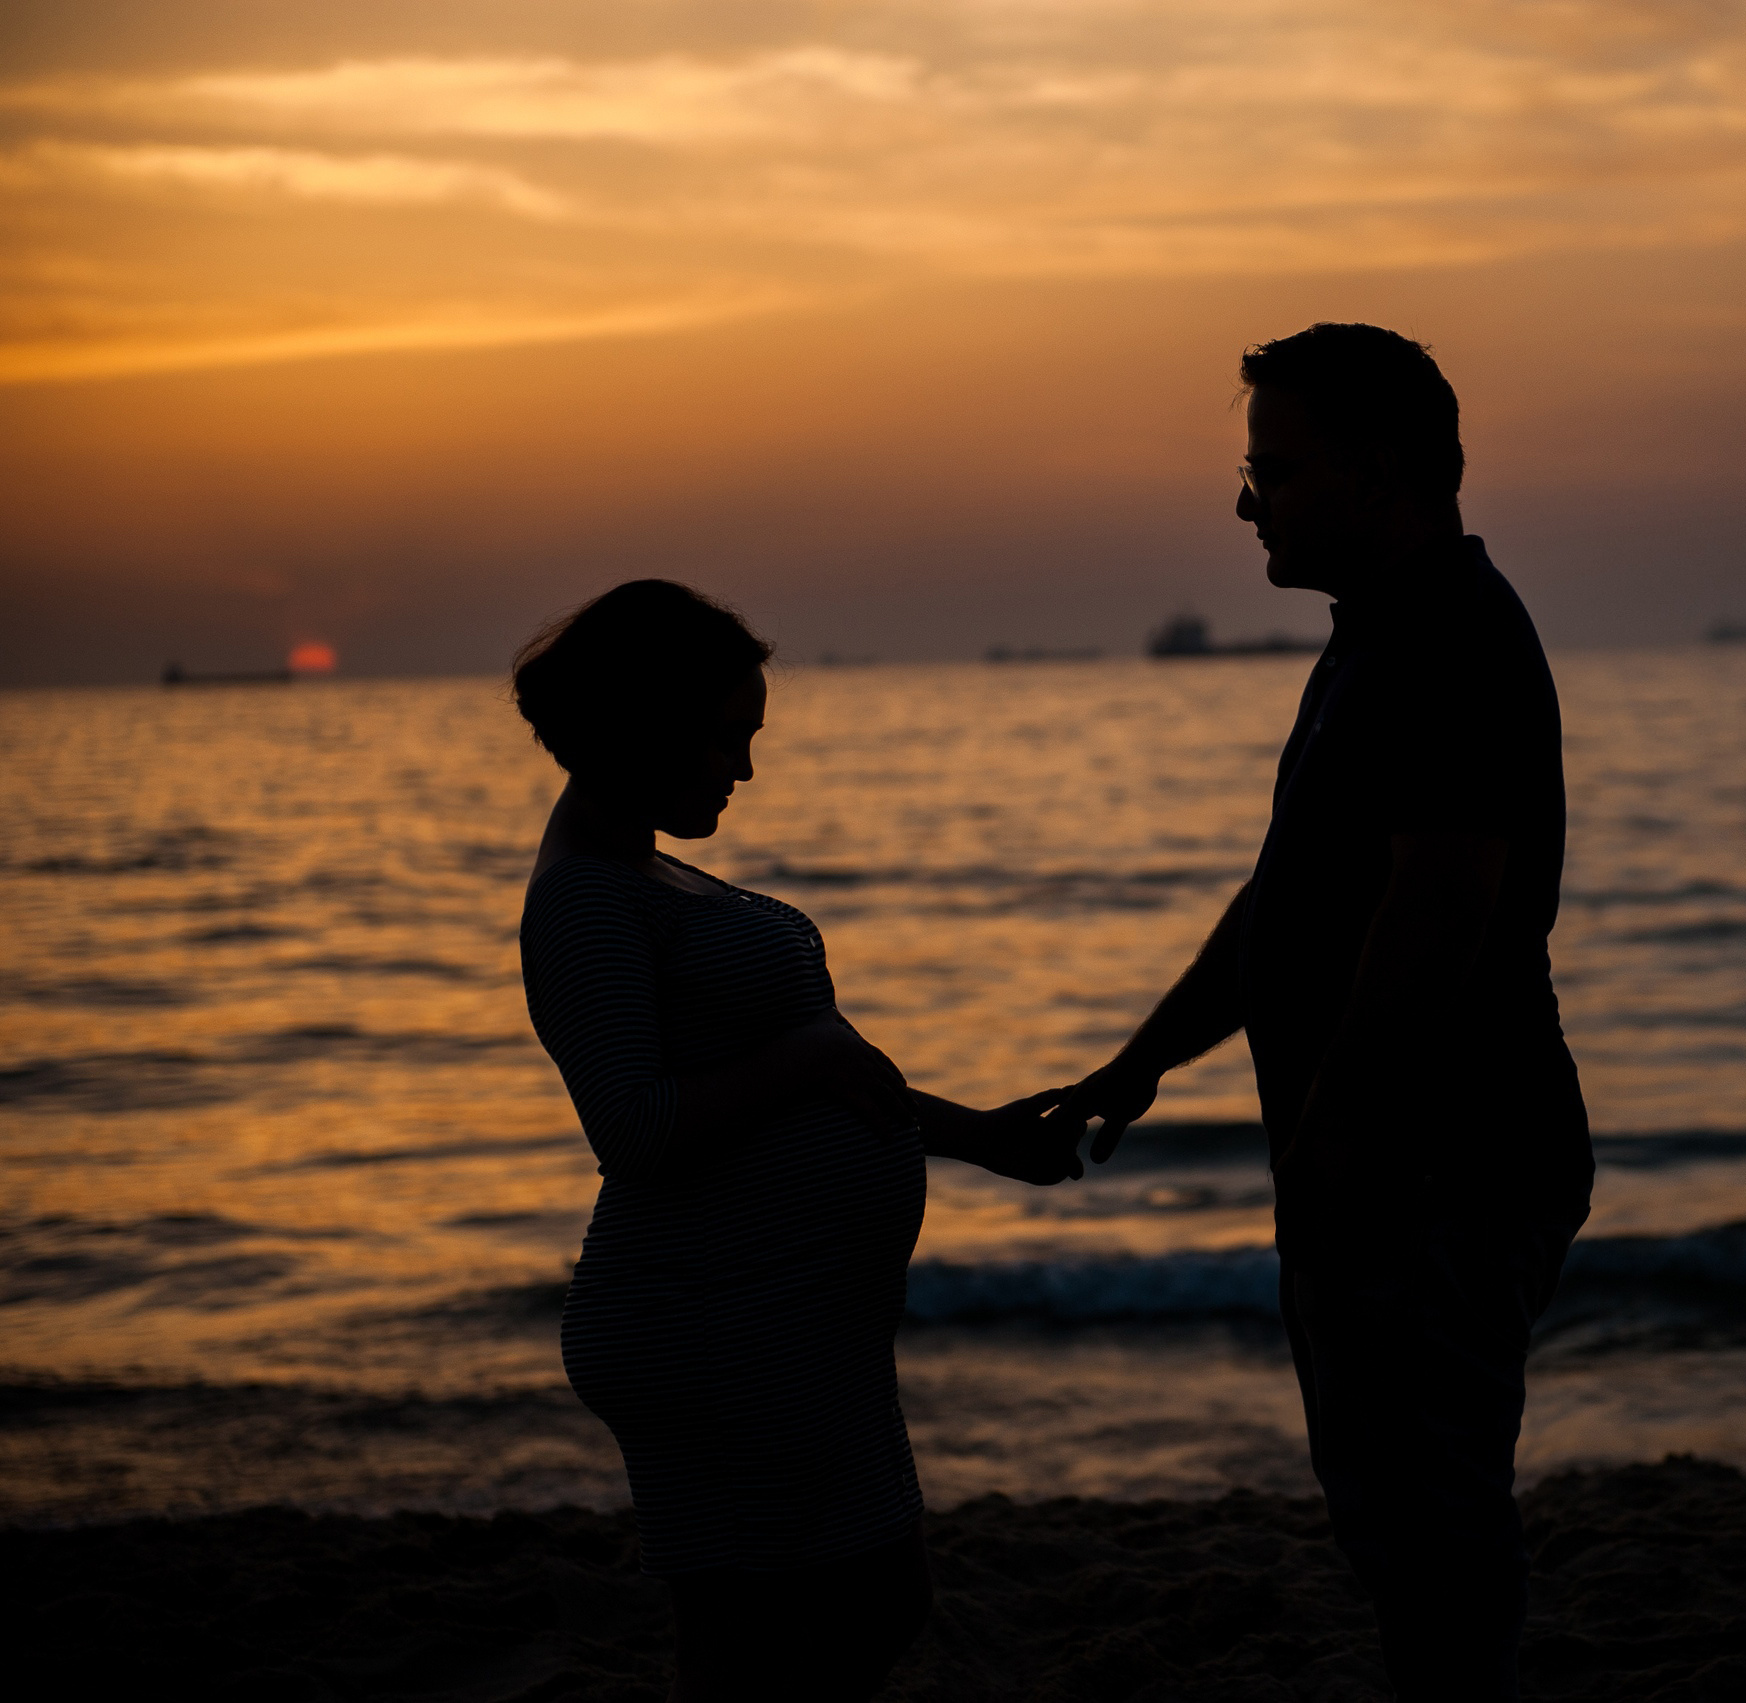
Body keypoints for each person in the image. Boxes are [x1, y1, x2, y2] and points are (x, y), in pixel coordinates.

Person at [1053, 324, 1592, 1698]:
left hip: (1443, 1164)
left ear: (1383, 469)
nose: (1247, 504)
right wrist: (1142, 1060)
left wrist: (1342, 1135)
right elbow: (1285, 904)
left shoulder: (1453, 641)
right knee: (1389, 1507)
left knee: (1432, 1511)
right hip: (1386, 1166)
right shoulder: (1377, 638)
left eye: (1273, 470)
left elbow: (1441, 906)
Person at [512, 579, 1081, 1700]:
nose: (745, 769)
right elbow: (634, 1129)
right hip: (706, 1323)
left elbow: (824, 1077)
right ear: (648, 721)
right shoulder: (584, 897)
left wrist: (980, 1136)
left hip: (781, 1324)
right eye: (727, 737)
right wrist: (802, 1063)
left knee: (830, 1623)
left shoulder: (643, 869)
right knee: (795, 1633)